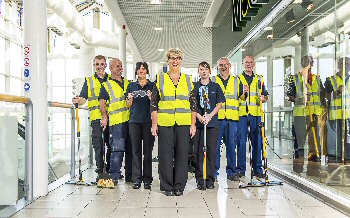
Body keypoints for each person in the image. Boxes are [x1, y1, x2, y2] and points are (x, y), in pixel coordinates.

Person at [151, 48, 196, 196]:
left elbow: (193, 105)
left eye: (177, 58)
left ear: (181, 61)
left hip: (183, 123)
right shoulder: (160, 79)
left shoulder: (188, 79)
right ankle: (167, 186)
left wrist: (193, 124)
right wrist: (154, 124)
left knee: (182, 155)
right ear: (168, 61)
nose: (175, 61)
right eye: (172, 58)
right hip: (165, 123)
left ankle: (179, 186)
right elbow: (154, 104)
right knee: (165, 155)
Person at [72, 55, 110, 182]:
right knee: (98, 144)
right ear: (94, 66)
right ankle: (100, 170)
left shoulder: (111, 80)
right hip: (95, 117)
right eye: (97, 64)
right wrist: (78, 100)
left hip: (111, 117)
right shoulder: (88, 81)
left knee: (110, 144)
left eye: (102, 64)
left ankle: (108, 170)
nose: (99, 66)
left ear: (105, 65)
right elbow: (83, 98)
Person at [287, 56, 326, 163]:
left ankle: (313, 154)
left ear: (312, 64)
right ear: (301, 63)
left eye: (309, 62)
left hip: (314, 111)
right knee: (299, 136)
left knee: (313, 135)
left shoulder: (317, 78)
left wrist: (324, 108)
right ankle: (299, 157)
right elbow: (290, 95)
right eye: (305, 61)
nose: (307, 64)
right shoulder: (294, 78)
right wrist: (301, 98)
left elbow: (322, 94)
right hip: (300, 112)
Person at [193, 61, 225, 189]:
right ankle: (200, 179)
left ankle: (210, 178)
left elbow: (220, 103)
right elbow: (192, 105)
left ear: (209, 71)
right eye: (201, 69)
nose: (204, 71)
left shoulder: (215, 86)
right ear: (199, 71)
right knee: (199, 152)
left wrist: (210, 115)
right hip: (199, 123)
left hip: (212, 124)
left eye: (206, 69)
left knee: (211, 151)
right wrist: (199, 117)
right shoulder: (194, 87)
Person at [99, 58, 130, 184]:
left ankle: (130, 175)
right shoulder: (106, 85)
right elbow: (102, 103)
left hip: (130, 121)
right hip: (116, 122)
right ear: (110, 68)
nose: (120, 68)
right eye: (117, 66)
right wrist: (104, 116)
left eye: (121, 66)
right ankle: (113, 176)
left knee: (130, 150)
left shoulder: (128, 83)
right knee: (117, 149)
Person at [238, 56, 268, 178]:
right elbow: (237, 97)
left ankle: (258, 169)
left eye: (251, 63)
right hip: (242, 115)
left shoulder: (259, 79)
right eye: (246, 63)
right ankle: (240, 170)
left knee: (257, 142)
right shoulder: (238, 79)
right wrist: (243, 94)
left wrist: (264, 98)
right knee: (241, 142)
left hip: (256, 114)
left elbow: (266, 96)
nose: (248, 64)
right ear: (243, 64)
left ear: (254, 64)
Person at [126, 62, 155, 189]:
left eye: (143, 68)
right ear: (136, 72)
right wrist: (130, 99)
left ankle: (148, 179)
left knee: (148, 152)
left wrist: (151, 97)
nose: (141, 71)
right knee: (136, 151)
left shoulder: (152, 85)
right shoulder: (131, 86)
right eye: (139, 69)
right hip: (134, 122)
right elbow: (127, 105)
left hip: (148, 121)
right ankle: (136, 179)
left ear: (147, 71)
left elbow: (156, 104)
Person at [213, 57, 242, 181]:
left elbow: (242, 98)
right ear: (218, 67)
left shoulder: (237, 81)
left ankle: (231, 172)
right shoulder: (213, 81)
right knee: (215, 147)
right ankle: (213, 172)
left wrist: (245, 93)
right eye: (221, 65)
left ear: (230, 65)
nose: (223, 67)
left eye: (225, 65)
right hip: (217, 118)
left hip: (232, 119)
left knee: (231, 146)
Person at [325, 57, 350, 163]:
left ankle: (347, 157)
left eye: (348, 63)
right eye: (343, 63)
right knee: (337, 141)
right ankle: (337, 158)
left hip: (348, 115)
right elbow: (326, 96)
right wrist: (337, 92)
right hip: (336, 116)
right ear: (338, 65)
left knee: (347, 139)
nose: (346, 66)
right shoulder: (330, 80)